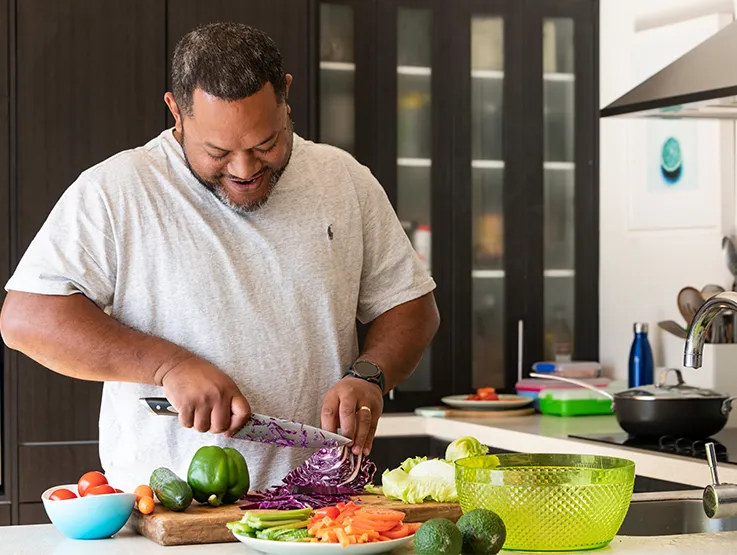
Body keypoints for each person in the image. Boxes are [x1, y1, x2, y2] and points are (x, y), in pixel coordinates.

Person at [0, 22, 439, 492]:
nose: (244, 169)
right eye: (217, 151)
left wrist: (369, 374)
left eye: (265, 144)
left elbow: (410, 307)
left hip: (324, 507)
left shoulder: (344, 180)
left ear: (285, 96)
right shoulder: (117, 190)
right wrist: (165, 365)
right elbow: (27, 319)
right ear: (176, 111)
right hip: (169, 510)